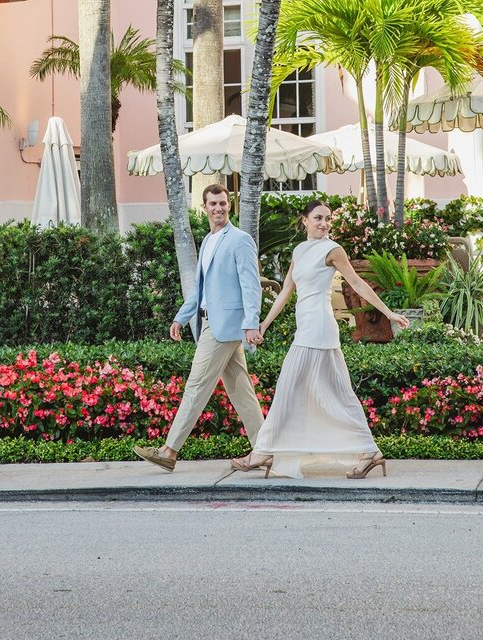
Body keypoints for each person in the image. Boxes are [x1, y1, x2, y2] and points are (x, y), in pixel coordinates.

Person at [231, 200, 409, 480]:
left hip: (318, 327)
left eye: (328, 218)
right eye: (318, 218)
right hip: (308, 327)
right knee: (339, 393)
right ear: (305, 220)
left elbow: (357, 283)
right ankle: (369, 452)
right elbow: (286, 291)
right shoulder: (300, 251)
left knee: (289, 387)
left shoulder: (333, 250)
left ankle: (264, 451)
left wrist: (388, 313)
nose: (324, 223)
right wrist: (264, 324)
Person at [133, 183, 265, 471]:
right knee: (242, 392)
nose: (218, 208)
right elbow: (199, 289)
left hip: (223, 327)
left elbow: (251, 285)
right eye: (213, 204)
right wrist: (181, 317)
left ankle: (168, 451)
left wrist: (251, 324)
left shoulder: (240, 239)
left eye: (223, 203)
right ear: (204, 207)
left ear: (230, 205)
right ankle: (266, 449)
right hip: (208, 321)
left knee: (196, 386)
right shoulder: (207, 241)